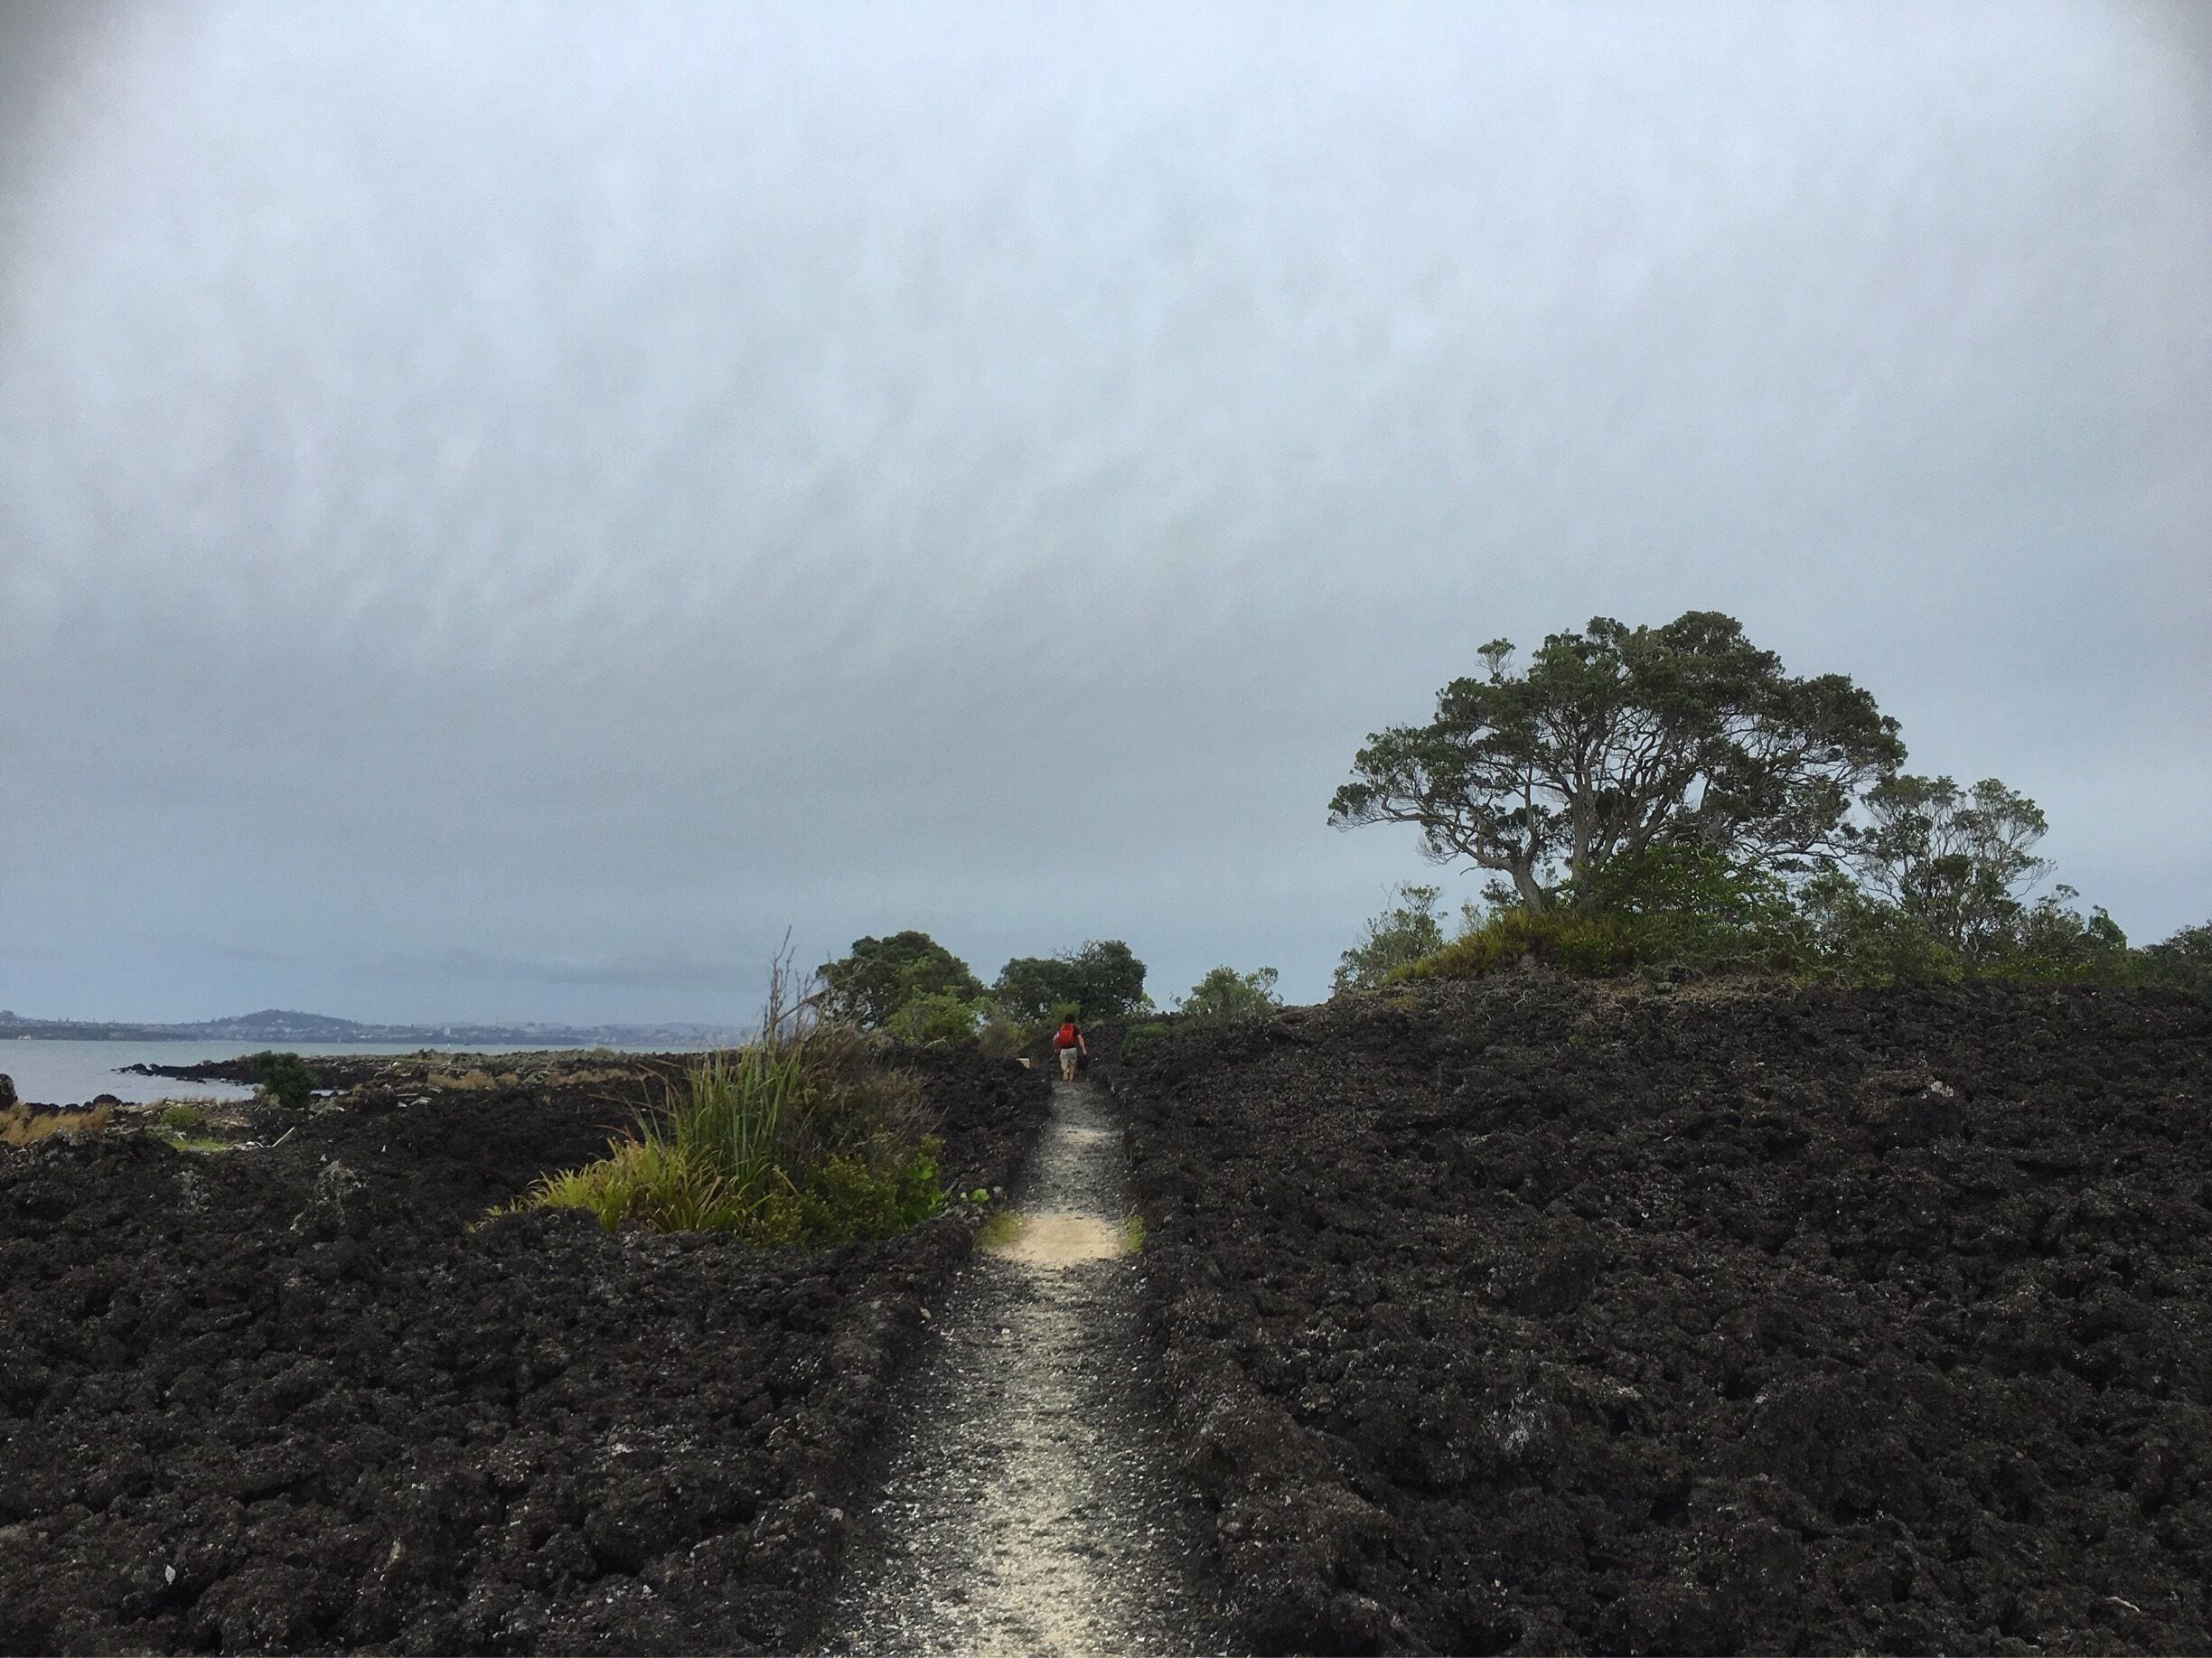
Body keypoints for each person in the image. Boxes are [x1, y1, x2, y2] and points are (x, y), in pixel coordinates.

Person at [1052, 1017, 1087, 1082]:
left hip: (1063, 1049)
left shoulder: (1061, 1028)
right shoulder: (1075, 1028)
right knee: (1072, 1064)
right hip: (1073, 1049)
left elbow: (1054, 1039)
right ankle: (1070, 1079)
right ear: (1074, 1021)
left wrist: (1056, 1047)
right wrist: (1083, 1049)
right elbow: (1080, 1038)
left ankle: (1065, 1070)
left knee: (1063, 1063)